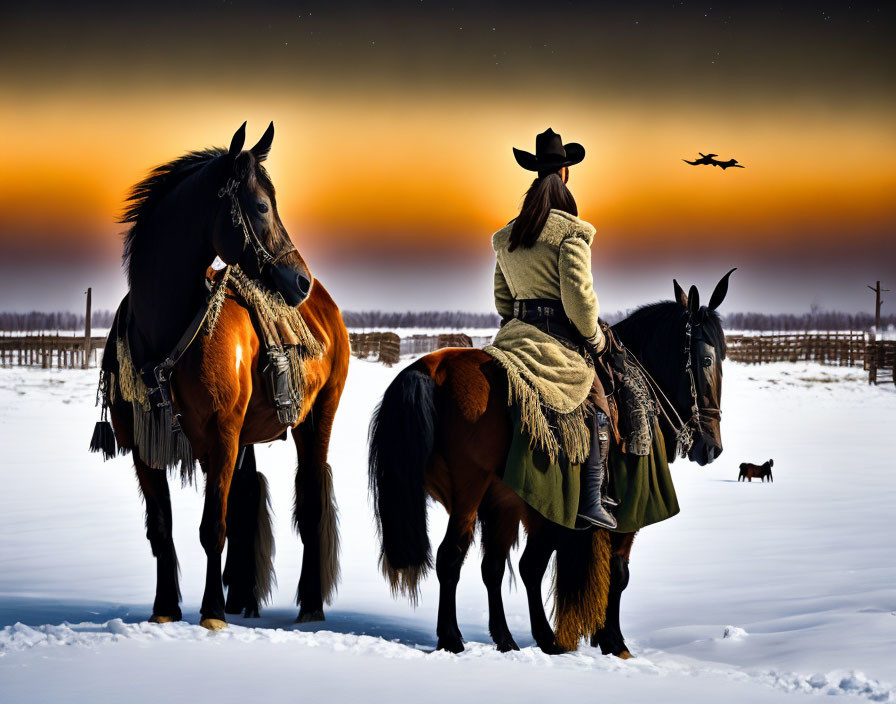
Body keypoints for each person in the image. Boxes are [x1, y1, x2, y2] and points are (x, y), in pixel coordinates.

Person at [493, 128, 617, 529]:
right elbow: (580, 302)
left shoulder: (508, 236)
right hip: (557, 344)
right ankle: (591, 500)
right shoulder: (570, 232)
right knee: (598, 399)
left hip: (512, 339)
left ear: (534, 175)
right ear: (565, 173)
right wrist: (595, 338)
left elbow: (501, 302)